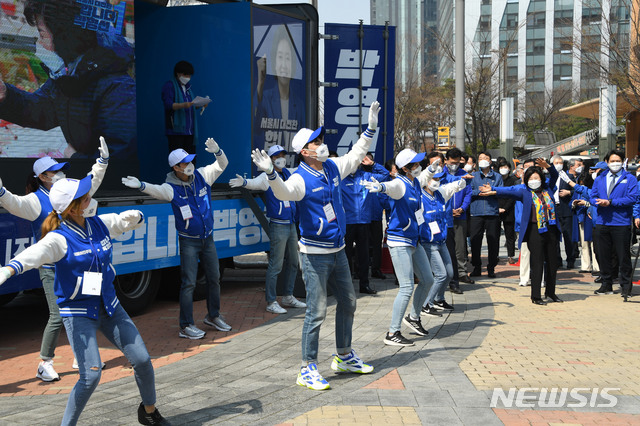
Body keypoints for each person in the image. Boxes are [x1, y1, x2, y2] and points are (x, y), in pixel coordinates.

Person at [0, 177, 169, 426]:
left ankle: (149, 412)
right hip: (78, 312)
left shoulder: (97, 224)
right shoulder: (58, 238)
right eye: (86, 197)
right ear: (72, 207)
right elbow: (33, 255)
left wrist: (134, 219)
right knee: (90, 376)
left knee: (142, 360)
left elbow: (119, 222)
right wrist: (9, 270)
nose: (91, 199)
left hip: (110, 305)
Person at [250, 101, 380, 391]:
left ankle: (344, 356)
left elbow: (358, 154)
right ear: (304, 151)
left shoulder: (333, 167)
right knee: (317, 310)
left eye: (321, 140)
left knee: (348, 302)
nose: (322, 145)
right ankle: (307, 368)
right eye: (316, 142)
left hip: (338, 251)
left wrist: (370, 127)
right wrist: (271, 173)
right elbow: (284, 193)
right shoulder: (299, 177)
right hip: (314, 255)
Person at [0, 138, 109, 382]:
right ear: (42, 176)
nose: (60, 174)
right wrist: (1, 193)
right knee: (58, 315)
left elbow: (91, 182)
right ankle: (45, 362)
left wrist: (102, 162)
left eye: (61, 170)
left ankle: (82, 354)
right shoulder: (33, 201)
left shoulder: (71, 189)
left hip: (82, 264)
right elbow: (14, 203)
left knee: (88, 308)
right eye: (54, 171)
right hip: (53, 269)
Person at [122, 139, 231, 338]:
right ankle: (185, 325)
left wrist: (218, 152)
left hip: (208, 238)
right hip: (189, 240)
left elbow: (222, 165)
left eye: (190, 161)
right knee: (189, 282)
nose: (190, 165)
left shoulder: (203, 176)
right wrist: (141, 185)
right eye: (185, 163)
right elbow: (156, 190)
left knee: (214, 278)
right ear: (175, 167)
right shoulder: (171, 187)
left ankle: (213, 316)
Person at [0, 0, 136, 159]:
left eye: (42, 34)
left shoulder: (117, 89)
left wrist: (74, 157)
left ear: (64, 35)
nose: (40, 43)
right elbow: (40, 110)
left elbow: (121, 156)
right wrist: (6, 96)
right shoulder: (69, 76)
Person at [363, 150, 438, 346]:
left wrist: (431, 169)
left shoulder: (413, 182)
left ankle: (414, 318)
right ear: (405, 168)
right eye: (415, 164)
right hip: (399, 240)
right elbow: (390, 186)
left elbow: (423, 178)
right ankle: (392, 332)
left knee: (428, 279)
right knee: (406, 287)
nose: (418, 165)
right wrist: (379, 186)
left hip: (413, 239)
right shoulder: (400, 184)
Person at [228, 145, 307, 314]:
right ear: (270, 159)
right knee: (276, 265)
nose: (281, 158)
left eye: (282, 155)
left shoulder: (288, 173)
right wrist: (244, 182)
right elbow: (254, 183)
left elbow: (304, 168)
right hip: (278, 225)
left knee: (294, 262)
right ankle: (271, 301)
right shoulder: (266, 177)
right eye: (277, 156)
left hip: (291, 224)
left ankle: (288, 296)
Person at [480, 159, 562, 305]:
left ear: (542, 179)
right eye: (530, 178)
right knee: (536, 262)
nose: (534, 180)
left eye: (536, 178)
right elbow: (510, 190)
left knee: (552, 262)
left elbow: (555, 175)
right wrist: (493, 190)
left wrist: (548, 167)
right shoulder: (524, 192)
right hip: (534, 230)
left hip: (551, 229)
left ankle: (551, 292)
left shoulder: (548, 188)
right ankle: (536, 296)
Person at [589, 150, 638, 301]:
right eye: (612, 161)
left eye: (617, 160)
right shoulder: (600, 178)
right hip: (602, 221)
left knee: (623, 256)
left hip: (621, 222)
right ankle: (606, 283)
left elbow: (632, 198)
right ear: (607, 162)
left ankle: (626, 286)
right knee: (603, 255)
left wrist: (611, 202)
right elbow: (592, 195)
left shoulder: (629, 178)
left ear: (623, 162)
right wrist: (597, 202)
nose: (614, 163)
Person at [254, 24, 305, 162]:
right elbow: (255, 126)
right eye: (280, 57)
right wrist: (260, 82)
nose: (283, 65)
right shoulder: (264, 97)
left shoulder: (299, 104)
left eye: (287, 58)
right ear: (274, 63)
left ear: (294, 64)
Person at [341, 153, 390, 294]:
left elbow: (385, 175)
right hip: (348, 223)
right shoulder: (342, 179)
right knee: (346, 255)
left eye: (356, 163)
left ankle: (364, 284)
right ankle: (345, 285)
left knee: (363, 255)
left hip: (363, 222)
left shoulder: (366, 176)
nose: (353, 166)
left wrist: (372, 164)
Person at [419, 170, 468, 314]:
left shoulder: (441, 193)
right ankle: (426, 304)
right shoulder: (420, 197)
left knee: (450, 273)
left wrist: (461, 179)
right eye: (433, 178)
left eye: (438, 178)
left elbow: (459, 184)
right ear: (426, 180)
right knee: (440, 275)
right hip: (429, 242)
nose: (436, 181)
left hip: (441, 240)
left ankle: (439, 299)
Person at [443, 148, 473, 291]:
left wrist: (462, 208)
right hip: (445, 216)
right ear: (446, 160)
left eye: (457, 162)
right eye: (452, 162)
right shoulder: (441, 173)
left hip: (460, 215)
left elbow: (468, 193)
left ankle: (461, 272)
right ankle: (446, 276)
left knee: (460, 247)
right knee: (446, 248)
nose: (454, 165)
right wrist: (449, 210)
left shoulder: (464, 174)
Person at [469, 152, 503, 278]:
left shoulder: (497, 177)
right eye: (480, 158)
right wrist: (480, 191)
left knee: (493, 241)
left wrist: (491, 191)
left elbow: (501, 192)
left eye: (485, 158)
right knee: (475, 241)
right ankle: (477, 267)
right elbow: (469, 192)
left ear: (490, 161)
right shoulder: (473, 176)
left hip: (492, 212)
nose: (483, 160)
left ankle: (491, 268)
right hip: (476, 212)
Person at [560, 168, 599, 275]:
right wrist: (574, 203)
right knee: (583, 244)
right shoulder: (577, 192)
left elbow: (595, 203)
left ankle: (596, 266)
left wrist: (586, 203)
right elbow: (570, 203)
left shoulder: (592, 191)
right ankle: (586, 265)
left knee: (593, 244)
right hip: (580, 218)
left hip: (590, 219)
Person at [161, 60, 205, 153]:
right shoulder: (170, 86)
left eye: (189, 75)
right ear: (178, 73)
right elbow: (168, 105)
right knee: (179, 162)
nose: (188, 78)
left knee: (190, 161)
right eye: (185, 75)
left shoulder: (188, 88)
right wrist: (184, 105)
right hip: (176, 131)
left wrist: (200, 104)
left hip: (190, 131)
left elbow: (191, 105)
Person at [551, 155, 577, 269]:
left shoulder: (569, 176)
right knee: (554, 237)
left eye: (560, 162)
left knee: (568, 236)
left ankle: (571, 259)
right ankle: (556, 260)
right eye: (556, 163)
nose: (559, 164)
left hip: (566, 209)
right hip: (553, 209)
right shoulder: (549, 177)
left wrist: (569, 192)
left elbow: (577, 190)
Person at [496, 158, 518, 264]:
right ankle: (495, 254)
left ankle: (510, 255)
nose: (503, 169)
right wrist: (498, 208)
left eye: (505, 167)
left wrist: (505, 208)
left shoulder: (512, 180)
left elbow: (512, 196)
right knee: (495, 234)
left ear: (509, 169)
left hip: (508, 210)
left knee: (509, 234)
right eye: (501, 167)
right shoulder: (496, 179)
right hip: (496, 209)